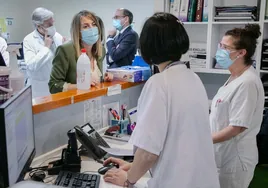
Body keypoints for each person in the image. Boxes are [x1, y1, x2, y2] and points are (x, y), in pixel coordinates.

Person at [103, 12, 220, 188]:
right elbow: (178, 139)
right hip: (201, 179)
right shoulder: (192, 78)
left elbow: (149, 152)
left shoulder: (159, 83)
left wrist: (128, 180)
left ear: (147, 47)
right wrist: (133, 167)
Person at [210, 24, 265, 188]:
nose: (220, 51)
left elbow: (236, 127)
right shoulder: (235, 76)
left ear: (241, 53)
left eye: (225, 47)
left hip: (234, 161)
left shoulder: (247, 82)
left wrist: (203, 139)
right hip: (222, 155)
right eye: (220, 45)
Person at [49, 11, 112, 93]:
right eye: (85, 26)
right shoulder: (65, 50)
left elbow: (93, 81)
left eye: (94, 24)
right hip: (74, 102)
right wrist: (80, 85)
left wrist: (104, 78)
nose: (91, 29)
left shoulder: (101, 50)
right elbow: (54, 85)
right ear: (78, 32)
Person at [23, 7, 63, 98]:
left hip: (57, 86)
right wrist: (46, 48)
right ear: (38, 26)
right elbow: (31, 65)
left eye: (53, 23)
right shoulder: (28, 40)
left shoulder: (57, 36)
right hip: (39, 90)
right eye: (49, 24)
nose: (52, 27)